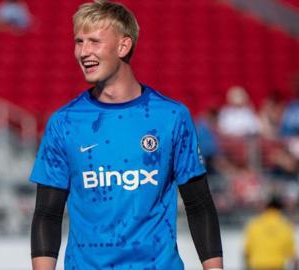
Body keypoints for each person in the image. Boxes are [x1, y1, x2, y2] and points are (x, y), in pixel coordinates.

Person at [29, 1, 223, 269]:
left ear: (123, 46)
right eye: (79, 41)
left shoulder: (171, 117)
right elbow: (47, 214)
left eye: (94, 41)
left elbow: (199, 204)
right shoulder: (64, 123)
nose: (83, 52)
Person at [244, 197, 299, 270]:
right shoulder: (285, 226)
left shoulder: (254, 225)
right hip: (277, 266)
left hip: (258, 266)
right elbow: (293, 254)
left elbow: (246, 252)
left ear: (266, 208)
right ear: (280, 209)